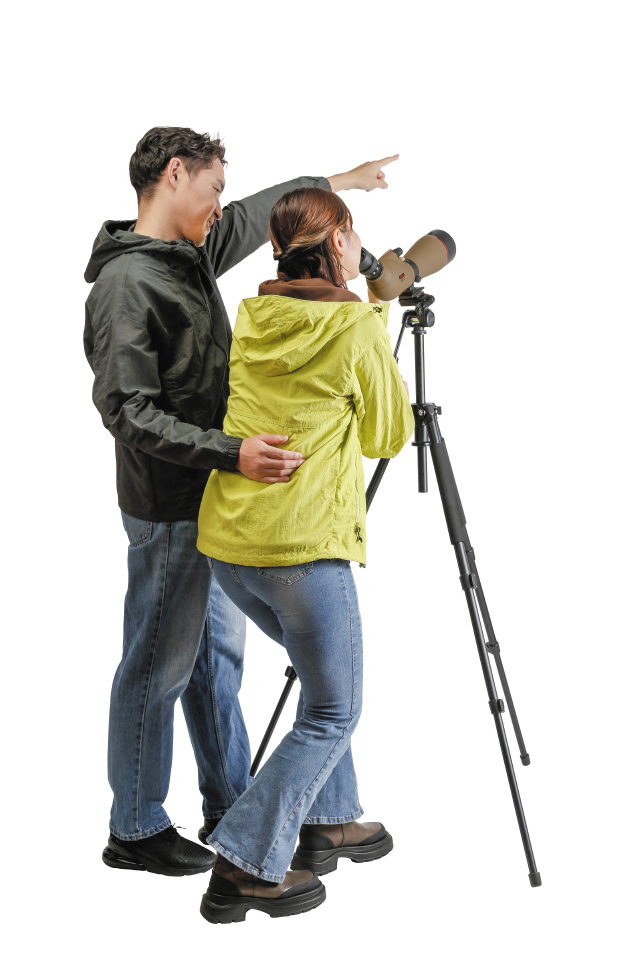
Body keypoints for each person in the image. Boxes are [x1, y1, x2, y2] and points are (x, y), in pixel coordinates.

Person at [83, 126, 399, 876]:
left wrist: (338, 183)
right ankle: (134, 826)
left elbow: (264, 215)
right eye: (215, 188)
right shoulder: (126, 285)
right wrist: (232, 452)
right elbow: (126, 411)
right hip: (170, 501)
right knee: (158, 664)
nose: (224, 206)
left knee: (216, 663)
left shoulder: (189, 253)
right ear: (175, 174)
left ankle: (232, 806)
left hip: (221, 499)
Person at [196, 187, 415, 923]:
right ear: (341, 241)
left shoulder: (254, 313)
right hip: (301, 552)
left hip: (231, 549)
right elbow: (388, 436)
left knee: (319, 681)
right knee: (333, 709)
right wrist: (376, 315)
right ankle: (243, 862)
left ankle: (330, 817)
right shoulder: (354, 326)